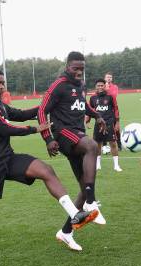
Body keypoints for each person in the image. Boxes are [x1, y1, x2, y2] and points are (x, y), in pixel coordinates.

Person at [0, 67, 97, 266]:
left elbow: (22, 114)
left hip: (8, 158)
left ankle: (74, 214)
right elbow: (3, 128)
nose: (1, 86)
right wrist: (36, 129)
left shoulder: (0, 104)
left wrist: (47, 105)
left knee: (46, 170)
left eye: (3, 83)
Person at [38, 52, 108, 251]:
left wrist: (96, 115)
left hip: (77, 133)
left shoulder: (80, 86)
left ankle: (66, 232)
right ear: (67, 66)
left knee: (84, 189)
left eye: (81, 69)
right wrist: (48, 138)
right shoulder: (59, 85)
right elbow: (42, 110)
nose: (78, 72)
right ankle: (92, 203)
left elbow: (82, 105)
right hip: (63, 133)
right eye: (75, 68)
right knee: (93, 146)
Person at [87, 78, 121, 172]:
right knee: (97, 144)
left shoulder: (111, 96)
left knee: (113, 143)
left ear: (105, 86)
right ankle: (98, 165)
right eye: (98, 85)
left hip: (109, 123)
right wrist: (88, 121)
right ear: (96, 86)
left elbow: (116, 109)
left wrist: (117, 122)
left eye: (102, 85)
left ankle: (116, 165)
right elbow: (90, 110)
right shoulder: (93, 98)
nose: (100, 87)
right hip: (98, 124)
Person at [104, 72, 121, 150]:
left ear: (112, 78)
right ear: (105, 78)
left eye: (110, 77)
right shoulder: (102, 86)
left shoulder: (115, 87)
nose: (109, 78)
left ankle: (119, 145)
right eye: (107, 77)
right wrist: (105, 89)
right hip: (103, 110)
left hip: (113, 110)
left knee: (116, 128)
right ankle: (104, 146)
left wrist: (107, 90)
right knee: (103, 127)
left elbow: (113, 96)